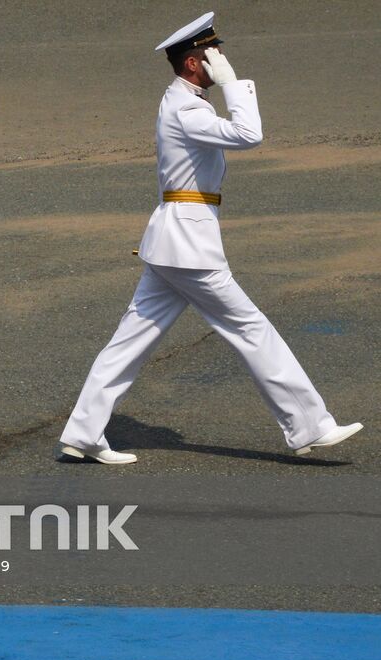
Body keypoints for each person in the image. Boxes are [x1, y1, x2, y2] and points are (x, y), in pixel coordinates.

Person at [57, 12, 362, 464]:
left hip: (173, 242)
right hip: (188, 244)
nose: (218, 60)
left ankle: (83, 433)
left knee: (130, 341)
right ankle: (310, 426)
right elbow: (249, 134)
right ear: (193, 65)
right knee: (251, 329)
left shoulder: (184, 102)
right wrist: (235, 84)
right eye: (210, 55)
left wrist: (226, 82)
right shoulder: (187, 108)